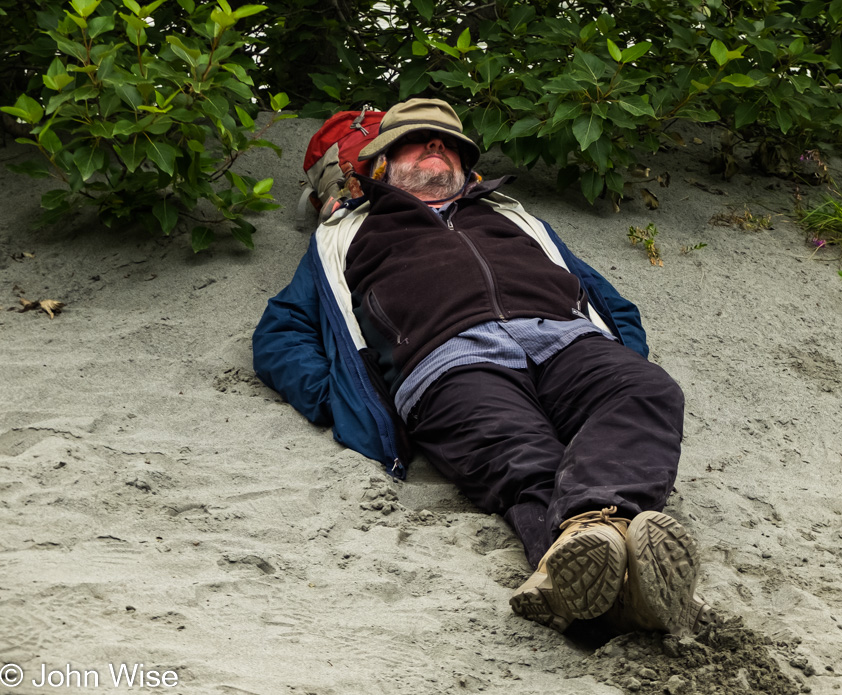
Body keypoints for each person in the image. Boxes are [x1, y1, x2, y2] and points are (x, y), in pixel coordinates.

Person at [252, 98, 712, 635]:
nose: (436, 147)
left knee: (647, 390)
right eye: (418, 140)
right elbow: (280, 333)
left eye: (449, 144)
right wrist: (342, 399)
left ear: (467, 169)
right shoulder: (345, 235)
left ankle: (586, 544)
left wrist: (614, 361)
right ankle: (614, 569)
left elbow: (612, 305)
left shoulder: (513, 218)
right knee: (525, 460)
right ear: (381, 164)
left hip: (566, 340)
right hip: (449, 364)